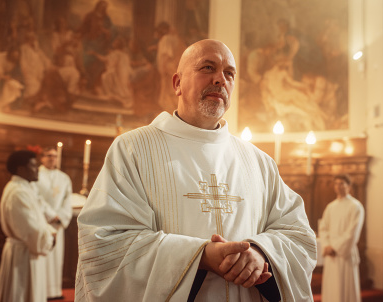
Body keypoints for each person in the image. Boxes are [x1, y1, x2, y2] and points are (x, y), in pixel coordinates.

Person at [75, 39, 316, 301]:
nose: (220, 80)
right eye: (207, 68)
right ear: (177, 83)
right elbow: (105, 242)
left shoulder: (258, 162)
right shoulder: (134, 149)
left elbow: (297, 235)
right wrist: (199, 256)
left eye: (229, 73)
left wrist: (260, 252)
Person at [0, 150, 57, 302]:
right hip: (23, 255)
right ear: (21, 169)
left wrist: (49, 232)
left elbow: (38, 219)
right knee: (20, 295)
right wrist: (49, 238)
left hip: (27, 252)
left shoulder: (25, 188)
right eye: (34, 166)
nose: (37, 170)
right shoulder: (17, 192)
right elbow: (30, 229)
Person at [34, 147, 73, 300]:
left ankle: (54, 290)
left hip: (57, 224)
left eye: (55, 156)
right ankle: (41, 290)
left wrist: (60, 217)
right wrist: (51, 215)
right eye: (49, 156)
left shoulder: (64, 178)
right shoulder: (35, 174)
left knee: (56, 258)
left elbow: (67, 200)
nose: (52, 159)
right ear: (42, 158)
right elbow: (36, 197)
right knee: (43, 256)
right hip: (43, 222)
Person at [319, 174, 365, 302]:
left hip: (345, 254)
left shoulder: (356, 206)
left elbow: (353, 232)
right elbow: (323, 228)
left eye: (342, 184)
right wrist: (327, 245)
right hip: (331, 254)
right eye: (336, 184)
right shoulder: (330, 207)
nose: (338, 187)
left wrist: (335, 247)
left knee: (346, 289)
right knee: (331, 288)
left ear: (349, 186)